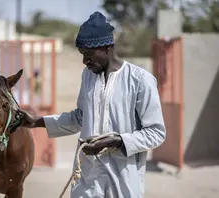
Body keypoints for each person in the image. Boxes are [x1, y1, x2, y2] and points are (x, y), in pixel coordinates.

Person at [19, 11, 166, 198]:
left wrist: (117, 141)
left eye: (89, 54)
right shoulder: (88, 76)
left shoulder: (140, 80)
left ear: (107, 48)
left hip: (123, 179)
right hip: (88, 179)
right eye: (82, 55)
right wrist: (37, 121)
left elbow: (156, 133)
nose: (85, 61)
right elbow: (80, 117)